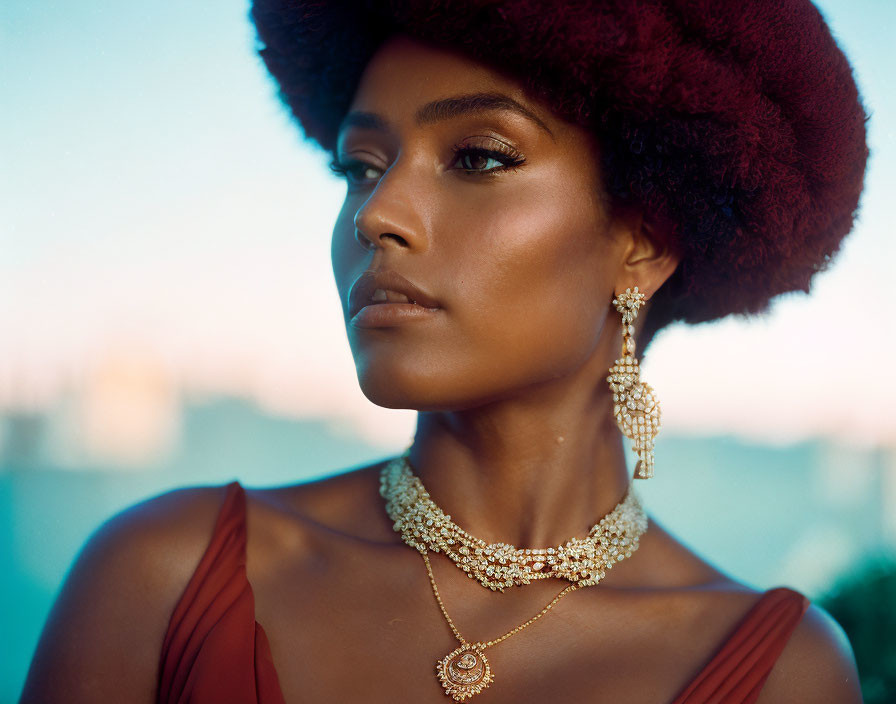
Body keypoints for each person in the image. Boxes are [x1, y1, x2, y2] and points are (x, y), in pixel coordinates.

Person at [21, 0, 869, 702]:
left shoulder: (782, 669)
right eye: (359, 166)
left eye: (478, 156)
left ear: (642, 240)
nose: (377, 214)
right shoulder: (161, 576)